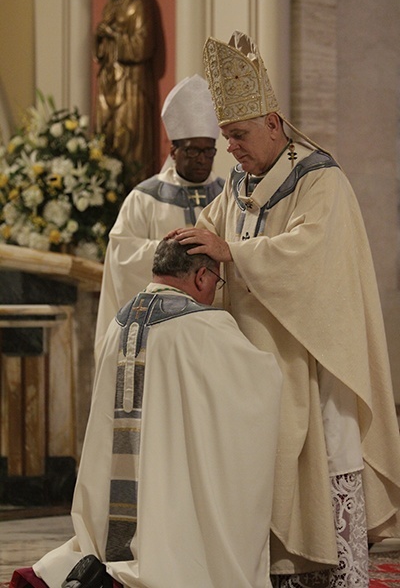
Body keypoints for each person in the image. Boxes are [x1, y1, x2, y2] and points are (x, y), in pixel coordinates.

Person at [169, 31, 400, 587]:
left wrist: (234, 253)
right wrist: (186, 253)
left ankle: (331, 573)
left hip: (314, 357)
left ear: (274, 123)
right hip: (256, 364)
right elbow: (213, 232)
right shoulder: (242, 183)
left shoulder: (322, 179)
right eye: (226, 138)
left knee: (324, 454)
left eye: (240, 135)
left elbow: (310, 257)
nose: (233, 149)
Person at [10, 239, 282, 588]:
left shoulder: (120, 320)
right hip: (170, 486)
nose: (215, 290)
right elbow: (260, 384)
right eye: (217, 281)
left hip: (121, 489)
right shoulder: (204, 326)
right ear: (201, 277)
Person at [94, 74, 224, 359]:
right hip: (160, 334)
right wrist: (181, 255)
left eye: (209, 151)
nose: (202, 158)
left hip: (217, 326)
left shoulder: (227, 195)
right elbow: (121, 255)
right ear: (174, 151)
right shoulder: (144, 197)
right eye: (193, 150)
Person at [95, 0, 156, 186]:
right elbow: (101, 51)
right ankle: (108, 191)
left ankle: (130, 189)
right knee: (107, 133)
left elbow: (143, 46)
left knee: (128, 136)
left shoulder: (139, 4)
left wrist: (113, 34)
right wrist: (101, 37)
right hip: (109, 80)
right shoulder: (111, 5)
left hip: (130, 82)